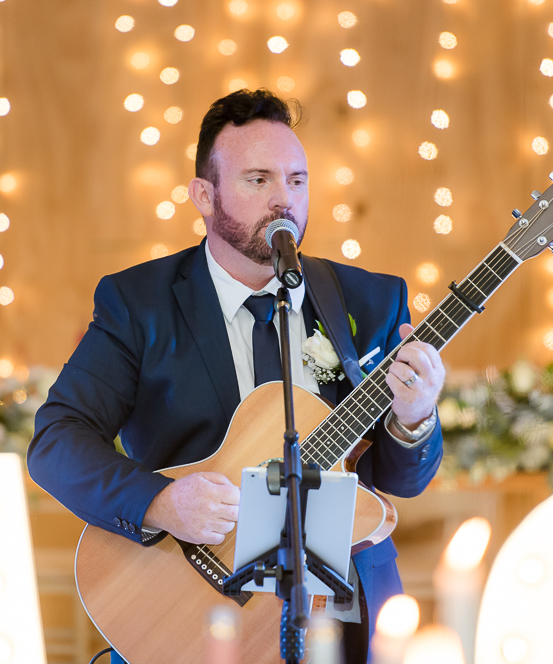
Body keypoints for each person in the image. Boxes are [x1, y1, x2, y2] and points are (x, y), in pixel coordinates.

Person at [28, 89, 445, 663]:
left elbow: (399, 480)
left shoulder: (370, 299)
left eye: (296, 180)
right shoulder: (139, 303)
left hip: (342, 617)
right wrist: (162, 502)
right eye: (258, 180)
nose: (284, 199)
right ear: (204, 195)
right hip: (187, 614)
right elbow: (56, 441)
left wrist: (414, 418)